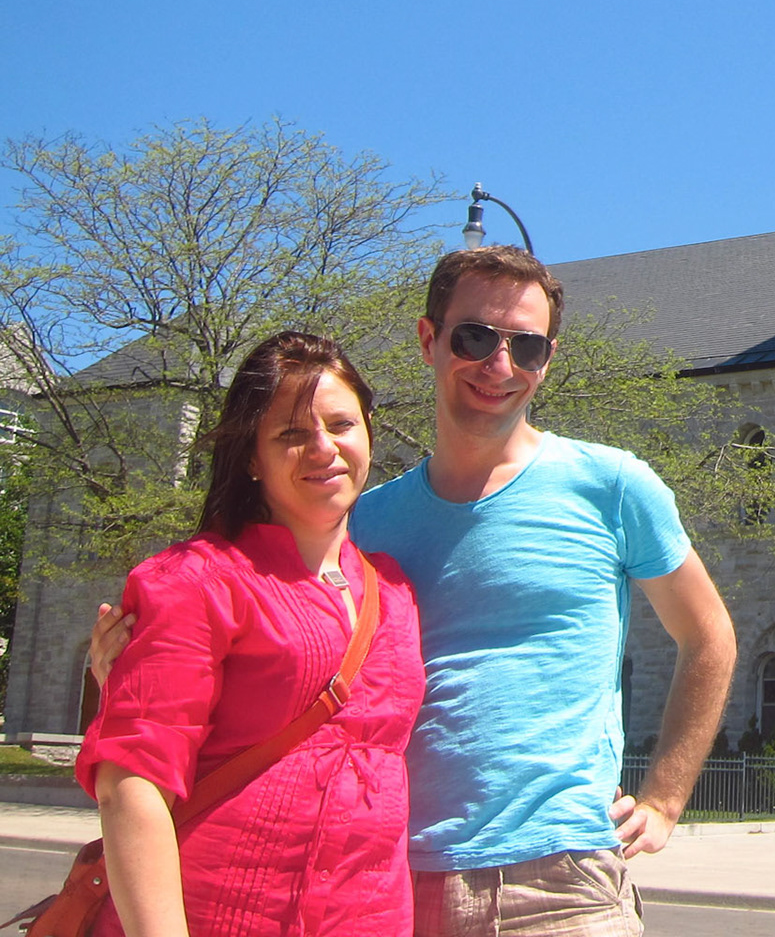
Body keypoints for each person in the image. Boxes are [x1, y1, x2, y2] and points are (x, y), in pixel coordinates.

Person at [97, 246, 736, 935]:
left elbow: (709, 636)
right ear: (429, 338)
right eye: (476, 337)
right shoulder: (361, 525)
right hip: (384, 886)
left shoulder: (612, 485)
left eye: (526, 346)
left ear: (548, 358)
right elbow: (279, 669)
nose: (500, 365)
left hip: (558, 881)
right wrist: (133, 674)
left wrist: (665, 799)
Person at [76, 331, 424, 937]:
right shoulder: (195, 580)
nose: (324, 448)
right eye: (291, 434)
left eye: (342, 424)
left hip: (369, 915)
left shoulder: (395, 591)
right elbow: (131, 781)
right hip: (218, 911)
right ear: (249, 458)